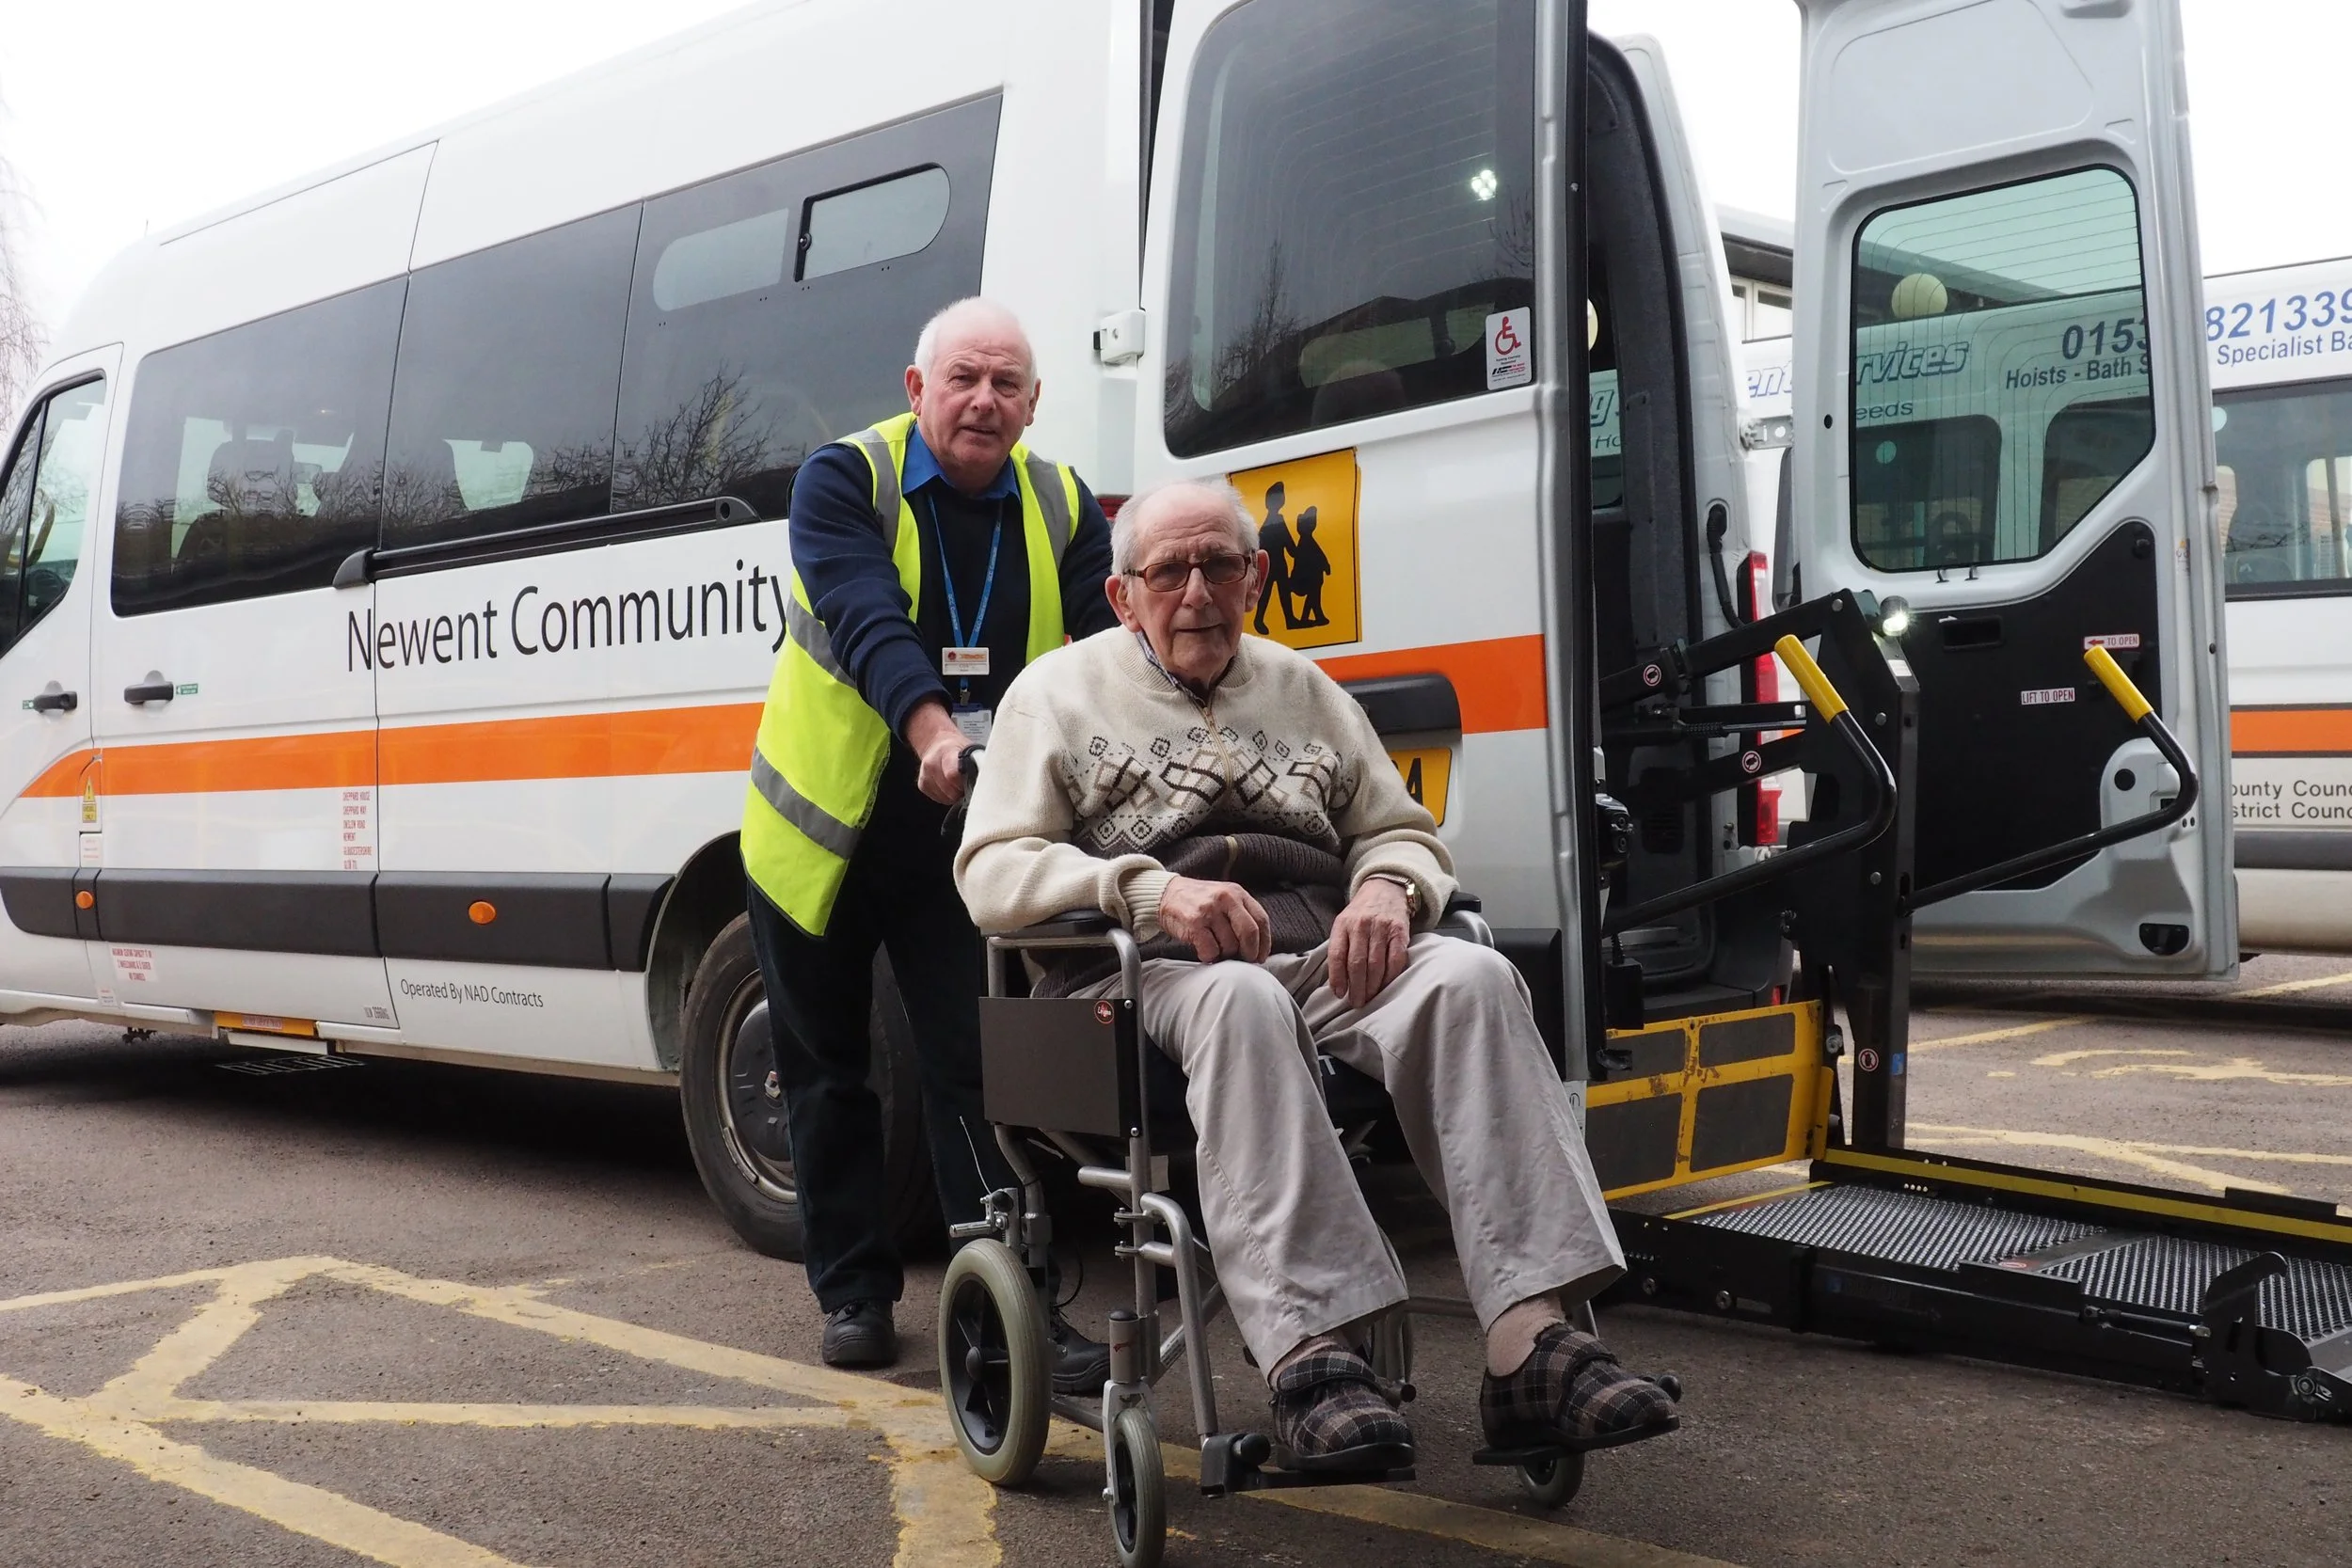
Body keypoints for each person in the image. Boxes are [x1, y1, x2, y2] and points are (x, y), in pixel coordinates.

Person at [954, 479, 1679, 1471]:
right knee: (1240, 998)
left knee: (1470, 979)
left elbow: (1398, 830)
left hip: (1315, 950)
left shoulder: (1306, 689)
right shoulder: (1056, 692)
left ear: (1256, 576)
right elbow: (989, 871)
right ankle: (1310, 1356)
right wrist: (1149, 892)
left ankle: (1531, 1345)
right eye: (1169, 571)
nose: (1196, 591)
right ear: (1125, 596)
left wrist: (1388, 888)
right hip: (1136, 974)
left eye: (1219, 565)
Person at [741, 297, 1116, 1386]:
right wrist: (934, 728)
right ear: (918, 390)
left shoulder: (1058, 502)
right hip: (825, 833)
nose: (983, 400)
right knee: (825, 1069)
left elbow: (1105, 646)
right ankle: (854, 1289)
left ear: (1033, 404)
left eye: (1006, 384)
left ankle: (1006, 1305)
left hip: (967, 833)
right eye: (963, 378)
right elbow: (864, 615)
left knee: (980, 1069)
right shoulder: (843, 479)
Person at [1251, 480, 1294, 633]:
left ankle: (1288, 618)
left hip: (1273, 564)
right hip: (1274, 564)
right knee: (1271, 592)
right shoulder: (1276, 521)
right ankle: (1262, 619)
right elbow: (1287, 540)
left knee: (1279, 592)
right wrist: (1294, 551)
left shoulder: (1268, 521)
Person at [1287, 505, 1331, 627]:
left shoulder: (1308, 541)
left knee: (1314, 597)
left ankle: (1314, 616)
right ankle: (1312, 617)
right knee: (1314, 596)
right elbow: (1316, 557)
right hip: (1303, 581)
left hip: (1310, 580)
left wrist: (1325, 566)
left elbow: (1319, 556)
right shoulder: (1306, 542)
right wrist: (1325, 566)